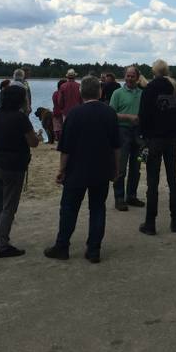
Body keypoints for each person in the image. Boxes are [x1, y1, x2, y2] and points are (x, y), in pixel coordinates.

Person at [44, 76, 120, 264]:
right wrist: (116, 169)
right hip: (101, 169)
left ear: (81, 92)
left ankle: (62, 246)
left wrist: (61, 169)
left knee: (69, 208)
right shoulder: (110, 113)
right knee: (97, 208)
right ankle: (94, 249)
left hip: (76, 169)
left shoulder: (74, 114)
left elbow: (66, 148)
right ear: (100, 92)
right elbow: (116, 147)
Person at [0, 86, 40, 258]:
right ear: (20, 100)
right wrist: (36, 137)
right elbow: (33, 142)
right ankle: (2, 244)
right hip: (13, 165)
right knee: (9, 206)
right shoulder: (21, 118)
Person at [137, 59, 176, 235]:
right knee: (173, 181)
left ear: (154, 71)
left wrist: (143, 136)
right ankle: (175, 222)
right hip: (171, 140)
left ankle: (150, 224)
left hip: (153, 140)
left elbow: (142, 115)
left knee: (153, 183)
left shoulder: (149, 88)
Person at [109, 66, 145, 211]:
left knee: (136, 167)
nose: (130, 78)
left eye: (132, 76)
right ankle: (119, 198)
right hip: (122, 131)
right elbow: (111, 114)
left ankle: (131, 196)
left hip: (139, 133)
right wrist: (128, 117)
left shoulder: (143, 94)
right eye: (128, 76)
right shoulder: (117, 93)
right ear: (124, 77)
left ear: (137, 77)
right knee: (120, 167)